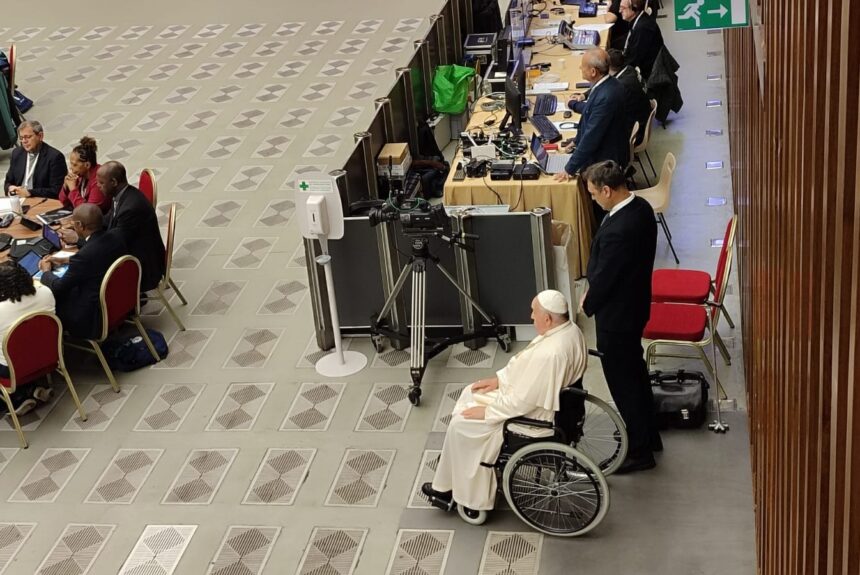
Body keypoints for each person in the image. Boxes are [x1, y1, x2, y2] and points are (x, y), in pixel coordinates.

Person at [422, 290, 588, 511]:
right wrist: (499, 380)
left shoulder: (551, 354)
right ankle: (454, 472)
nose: (531, 316)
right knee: (470, 392)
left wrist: (489, 412)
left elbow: (524, 402)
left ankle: (464, 494)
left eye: (534, 312)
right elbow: (526, 372)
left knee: (461, 424)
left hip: (532, 418)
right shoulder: (570, 330)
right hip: (552, 404)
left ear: (547, 319)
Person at [579, 160, 660, 473]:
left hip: (618, 316)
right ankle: (647, 432)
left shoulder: (619, 232)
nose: (593, 199)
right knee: (636, 373)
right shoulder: (639, 207)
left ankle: (639, 450)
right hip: (635, 306)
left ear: (608, 190)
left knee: (623, 382)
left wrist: (585, 306)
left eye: (594, 193)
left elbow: (606, 276)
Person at [59, 161, 164, 292]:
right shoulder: (121, 195)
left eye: (101, 183)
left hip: (143, 268)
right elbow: (106, 221)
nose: (97, 186)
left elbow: (114, 245)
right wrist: (80, 226)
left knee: (86, 278)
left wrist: (78, 239)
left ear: (114, 182)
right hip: (133, 252)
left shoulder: (131, 208)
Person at [39, 204, 128, 340]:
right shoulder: (116, 236)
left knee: (46, 301)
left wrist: (46, 272)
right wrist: (66, 260)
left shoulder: (84, 257)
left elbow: (58, 288)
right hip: (120, 301)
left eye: (73, 222)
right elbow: (97, 254)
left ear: (80, 225)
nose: (71, 225)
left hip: (92, 317)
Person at [554, 49, 629, 182]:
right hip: (609, 146)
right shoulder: (610, 84)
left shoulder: (606, 97)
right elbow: (590, 115)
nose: (580, 68)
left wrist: (568, 169)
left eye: (583, 66)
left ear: (593, 72)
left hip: (604, 162)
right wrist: (576, 141)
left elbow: (591, 137)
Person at [0, 261, 56, 415]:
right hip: (50, 356)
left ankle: (17, 396)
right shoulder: (46, 292)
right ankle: (31, 390)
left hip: (12, 369)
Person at [3, 120, 66, 199]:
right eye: (21, 138)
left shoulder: (55, 157)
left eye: (28, 137)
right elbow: (8, 181)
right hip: (17, 199)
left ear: (40, 136)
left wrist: (29, 192)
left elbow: (56, 190)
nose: (24, 141)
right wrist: (10, 188)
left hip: (40, 201)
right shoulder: (17, 153)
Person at [608, 48, 653, 145]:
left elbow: (605, 108)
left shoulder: (622, 85)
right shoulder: (628, 70)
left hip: (632, 133)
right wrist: (584, 95)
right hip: (636, 121)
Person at [58, 136, 109, 212]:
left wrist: (73, 190)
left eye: (75, 165)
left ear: (87, 165)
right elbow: (63, 202)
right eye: (71, 164)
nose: (71, 168)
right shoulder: (80, 175)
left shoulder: (99, 181)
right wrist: (65, 187)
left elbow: (88, 212)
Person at [620, 0, 664, 81]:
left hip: (649, 74)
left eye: (623, 8)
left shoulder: (643, 28)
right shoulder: (639, 19)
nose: (620, 11)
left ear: (634, 8)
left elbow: (633, 60)